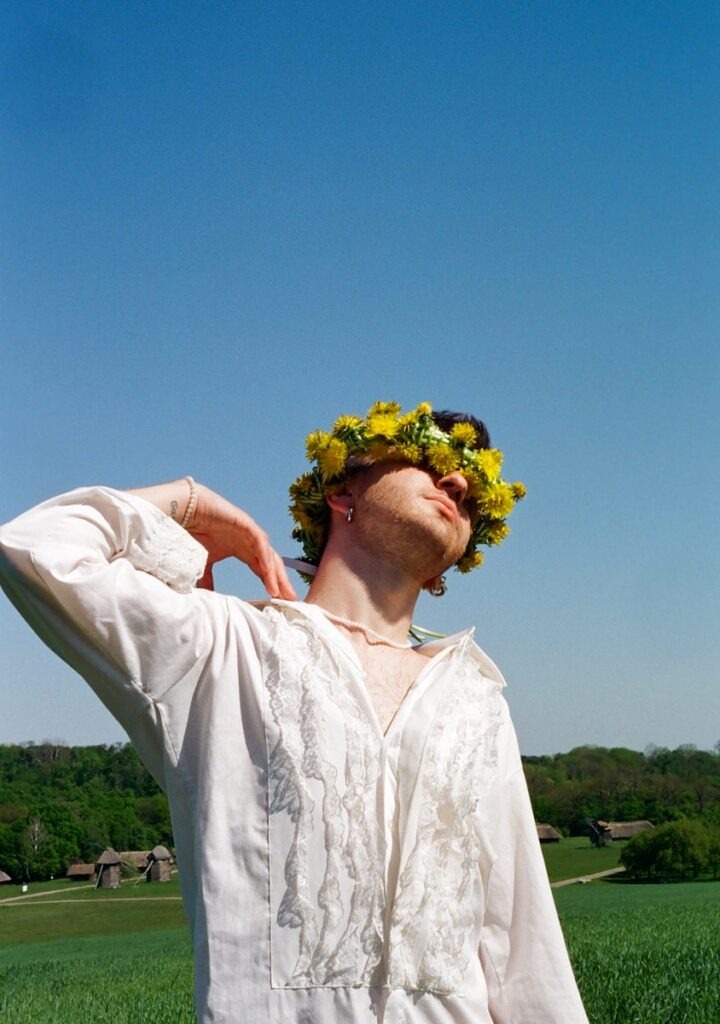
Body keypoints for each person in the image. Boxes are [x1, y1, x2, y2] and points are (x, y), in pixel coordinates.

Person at [0, 401, 589, 1024]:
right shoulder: (221, 648)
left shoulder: (477, 699)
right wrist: (193, 504)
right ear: (342, 490)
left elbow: (524, 948)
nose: (459, 482)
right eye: (427, 458)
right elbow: (37, 548)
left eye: (474, 496)